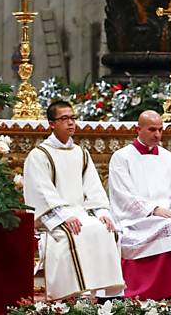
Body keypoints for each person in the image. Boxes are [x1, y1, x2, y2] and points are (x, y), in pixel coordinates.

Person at [23, 101, 125, 300]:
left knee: (107, 229)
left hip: (79, 212)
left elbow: (93, 187)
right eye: (64, 119)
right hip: (54, 215)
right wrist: (64, 215)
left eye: (72, 118)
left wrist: (102, 213)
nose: (70, 123)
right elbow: (42, 192)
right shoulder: (39, 155)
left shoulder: (81, 153)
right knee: (75, 233)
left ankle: (105, 293)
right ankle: (75, 294)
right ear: (52, 124)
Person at [107, 110, 171, 299]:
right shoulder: (122, 157)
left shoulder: (167, 156)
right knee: (170, 226)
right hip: (136, 217)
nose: (157, 135)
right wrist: (154, 210)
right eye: (152, 130)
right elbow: (122, 195)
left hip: (167, 213)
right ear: (138, 129)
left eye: (160, 130)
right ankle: (156, 290)